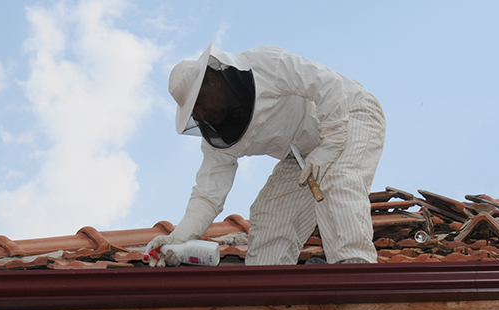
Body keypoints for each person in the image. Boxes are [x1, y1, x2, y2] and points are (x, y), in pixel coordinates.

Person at [147, 44, 385, 267]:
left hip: (350, 113)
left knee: (338, 181)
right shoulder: (216, 140)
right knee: (270, 214)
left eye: (199, 102)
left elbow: (328, 85)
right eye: (193, 111)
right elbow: (208, 196)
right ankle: (271, 301)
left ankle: (356, 276)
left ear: (213, 81)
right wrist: (178, 239)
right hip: (304, 153)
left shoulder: (264, 63)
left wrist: (331, 145)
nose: (200, 113)